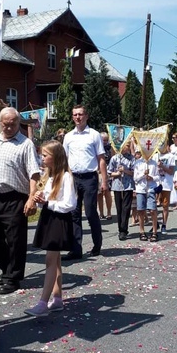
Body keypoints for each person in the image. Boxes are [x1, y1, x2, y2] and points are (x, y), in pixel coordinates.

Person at [0, 107, 40, 294]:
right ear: (0, 123)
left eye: (12, 124)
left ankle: (13, 278)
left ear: (18, 123)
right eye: (5, 124)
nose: (8, 128)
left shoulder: (25, 144)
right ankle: (8, 268)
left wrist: (31, 198)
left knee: (15, 240)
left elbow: (34, 174)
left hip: (16, 197)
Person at [25, 140, 77, 316]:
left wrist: (48, 203)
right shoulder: (49, 176)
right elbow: (48, 200)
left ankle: (42, 303)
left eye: (45, 155)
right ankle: (57, 298)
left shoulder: (66, 176)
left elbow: (69, 204)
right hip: (49, 218)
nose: (42, 158)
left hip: (59, 220)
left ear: (55, 158)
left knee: (50, 260)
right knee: (56, 261)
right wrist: (41, 200)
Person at [62, 105, 108, 259]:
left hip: (89, 178)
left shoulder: (94, 135)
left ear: (86, 116)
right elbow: (65, 160)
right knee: (73, 213)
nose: (77, 117)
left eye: (80, 114)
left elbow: (101, 159)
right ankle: (76, 249)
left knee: (89, 212)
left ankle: (97, 244)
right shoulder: (68, 136)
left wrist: (104, 181)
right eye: (75, 114)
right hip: (74, 178)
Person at [108, 145, 135, 241]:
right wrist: (117, 174)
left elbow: (133, 172)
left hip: (128, 186)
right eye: (126, 146)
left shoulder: (131, 158)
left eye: (128, 146)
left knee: (126, 208)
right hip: (117, 186)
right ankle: (120, 228)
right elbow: (109, 172)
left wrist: (125, 171)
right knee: (119, 208)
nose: (127, 147)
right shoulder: (115, 158)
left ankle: (124, 229)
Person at [134, 154, 160, 242]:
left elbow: (158, 177)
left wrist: (151, 177)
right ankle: (142, 231)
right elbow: (135, 178)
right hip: (141, 189)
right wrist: (143, 174)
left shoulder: (154, 163)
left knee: (152, 210)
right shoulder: (137, 162)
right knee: (141, 210)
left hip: (151, 188)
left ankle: (154, 232)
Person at [156, 143, 176, 235]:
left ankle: (164, 224)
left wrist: (162, 166)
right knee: (153, 205)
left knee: (165, 205)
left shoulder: (171, 156)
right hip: (156, 183)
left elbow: (171, 171)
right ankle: (155, 223)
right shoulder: (154, 156)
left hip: (166, 184)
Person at [98, 131, 113, 220]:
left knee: (107, 192)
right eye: (103, 140)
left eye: (106, 140)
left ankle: (109, 212)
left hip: (107, 172)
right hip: (98, 172)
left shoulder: (110, 148)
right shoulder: (96, 148)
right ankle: (101, 213)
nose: (105, 142)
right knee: (99, 194)